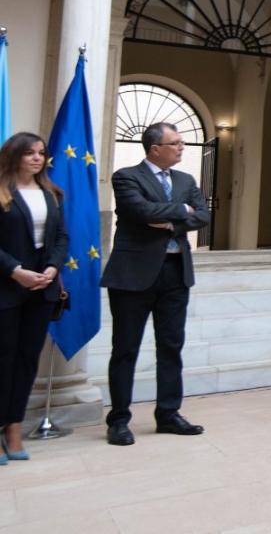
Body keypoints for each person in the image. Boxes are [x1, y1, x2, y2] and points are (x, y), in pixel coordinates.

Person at [102, 122, 211, 446]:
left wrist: (164, 220)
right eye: (175, 143)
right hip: (133, 275)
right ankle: (119, 419)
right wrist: (180, 212)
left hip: (175, 273)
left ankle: (168, 414)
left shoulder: (186, 179)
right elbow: (138, 211)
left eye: (181, 143)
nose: (181, 148)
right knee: (125, 349)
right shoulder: (126, 176)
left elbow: (203, 216)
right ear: (154, 149)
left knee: (171, 346)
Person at [0, 133, 66, 463]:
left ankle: (13, 428)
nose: (37, 158)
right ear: (14, 156)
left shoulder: (52, 194)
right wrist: (15, 271)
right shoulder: (1, 192)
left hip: (42, 290)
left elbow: (61, 237)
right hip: (6, 288)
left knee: (27, 361)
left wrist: (53, 268)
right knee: (3, 360)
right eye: (29, 153)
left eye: (41, 153)